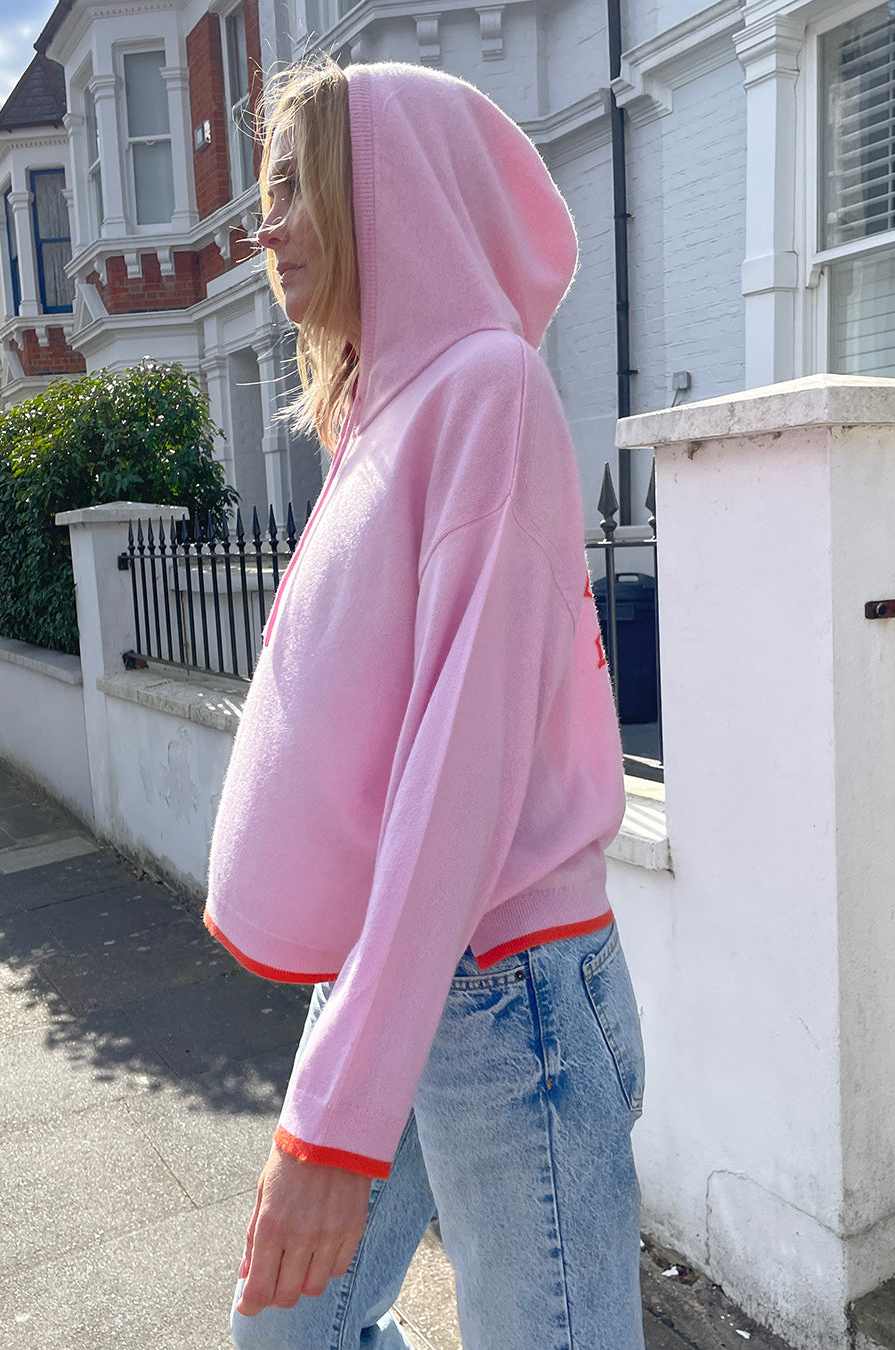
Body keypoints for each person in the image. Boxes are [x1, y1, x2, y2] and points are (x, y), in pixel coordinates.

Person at [203, 56, 645, 1350]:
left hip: (510, 996)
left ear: (378, 189)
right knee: (284, 1335)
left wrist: (336, 1124)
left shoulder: (485, 392)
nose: (264, 225)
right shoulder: (375, 418)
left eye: (295, 188)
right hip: (393, 971)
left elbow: (464, 765)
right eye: (263, 194)